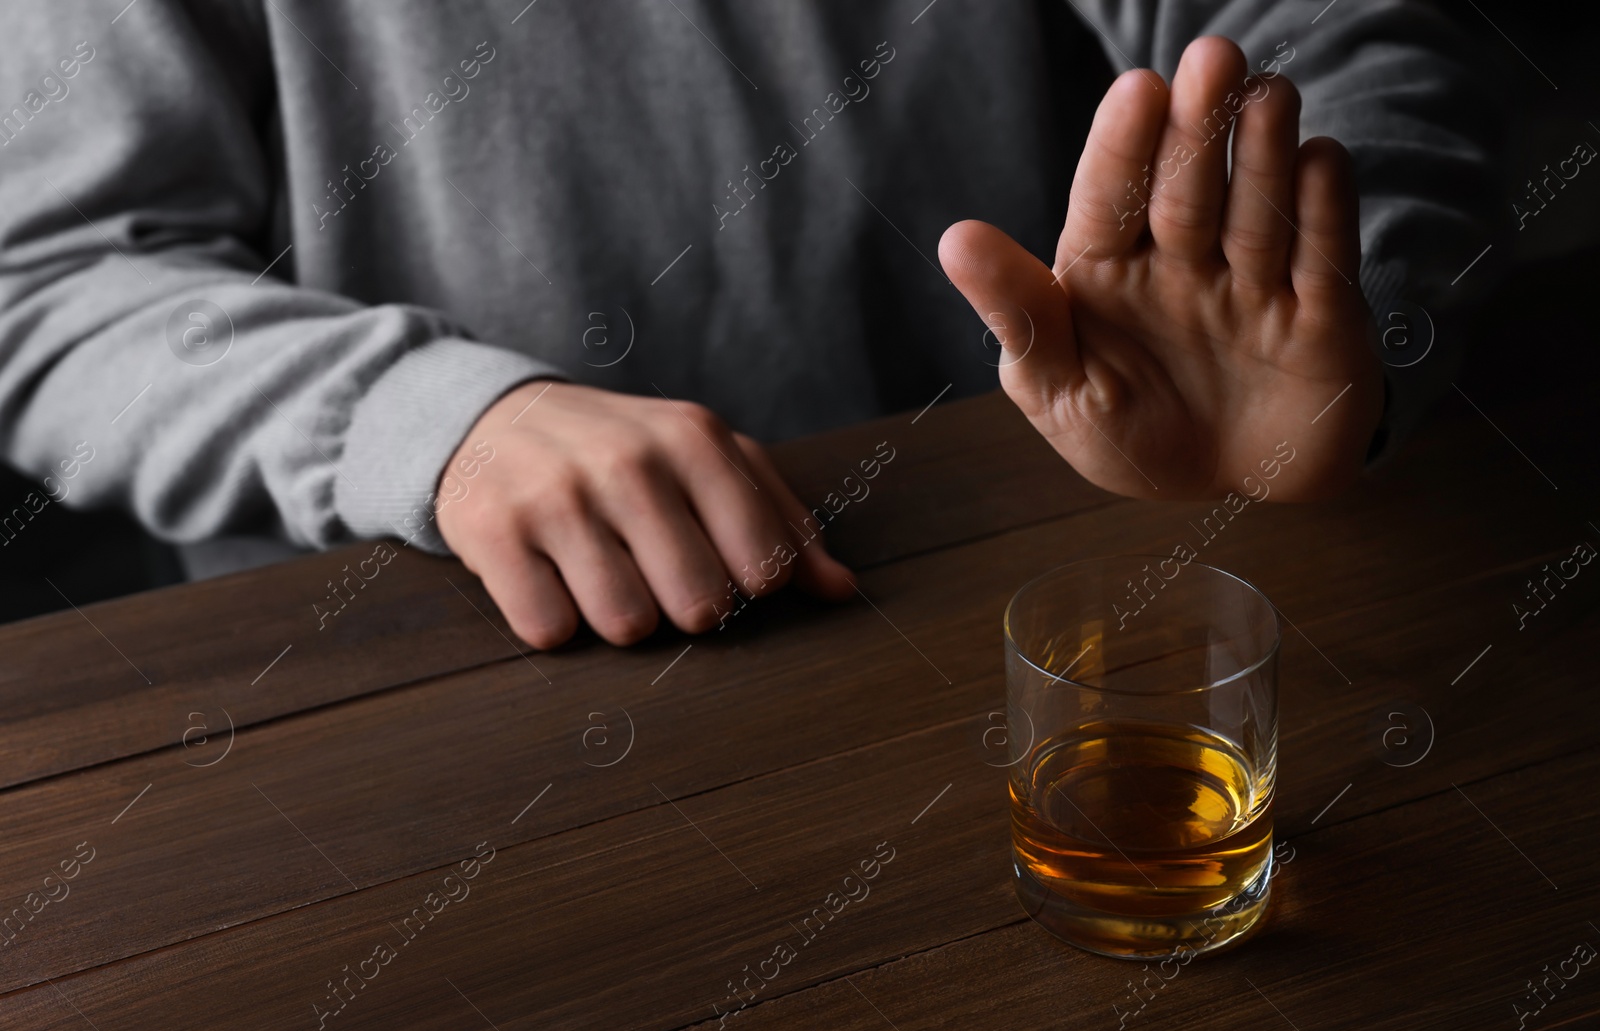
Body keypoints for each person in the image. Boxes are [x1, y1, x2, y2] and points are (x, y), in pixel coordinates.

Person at [0, 1, 1498, 647]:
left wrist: (1341, 303)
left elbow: (1337, 36)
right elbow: (50, 289)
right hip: (439, 673)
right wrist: (430, 424)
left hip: (1055, 595)